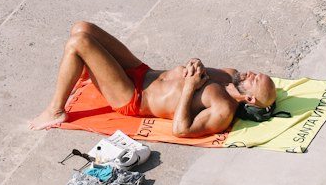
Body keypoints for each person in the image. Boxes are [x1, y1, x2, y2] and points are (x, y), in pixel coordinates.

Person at [28, 20, 277, 135]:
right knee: (83, 28)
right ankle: (86, 68)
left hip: (134, 96)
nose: (251, 73)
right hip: (143, 72)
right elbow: (194, 68)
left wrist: (190, 88)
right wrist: (195, 62)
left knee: (78, 42)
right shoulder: (229, 74)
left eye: (255, 79)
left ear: (250, 98)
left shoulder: (223, 109)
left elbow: (181, 130)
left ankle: (55, 110)